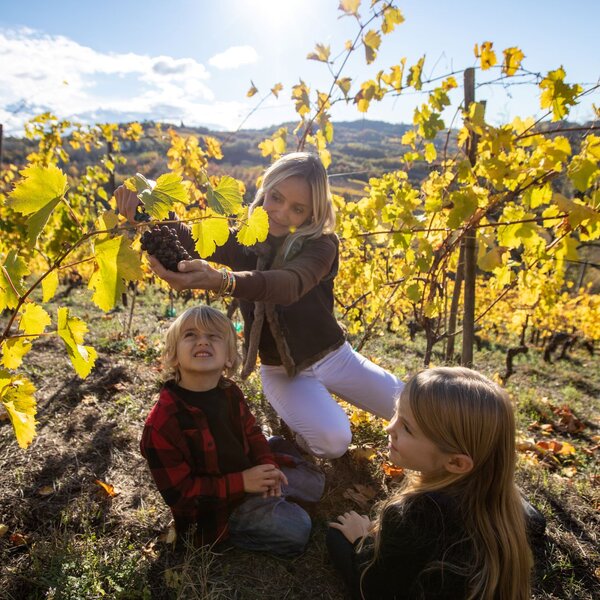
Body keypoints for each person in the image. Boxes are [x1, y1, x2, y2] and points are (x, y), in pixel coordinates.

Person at [117, 152, 402, 458]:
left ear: (311, 214)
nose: (280, 212)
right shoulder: (247, 239)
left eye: (297, 208)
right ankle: (301, 426)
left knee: (413, 405)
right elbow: (191, 240)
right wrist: (148, 201)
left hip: (335, 356)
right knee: (333, 442)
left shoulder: (322, 245)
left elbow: (289, 284)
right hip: (282, 371)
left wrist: (223, 281)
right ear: (264, 190)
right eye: (275, 197)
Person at [327, 367, 537, 600]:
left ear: (456, 462)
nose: (389, 427)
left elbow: (372, 590)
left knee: (335, 536)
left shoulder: (412, 516)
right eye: (396, 413)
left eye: (407, 427)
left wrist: (361, 541)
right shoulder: (506, 507)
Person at [140, 305, 324, 556]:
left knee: (316, 482)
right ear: (173, 356)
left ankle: (272, 492)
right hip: (220, 508)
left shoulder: (229, 392)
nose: (202, 341)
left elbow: (251, 432)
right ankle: (251, 521)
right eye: (190, 335)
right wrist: (243, 482)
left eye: (213, 336)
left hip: (249, 471)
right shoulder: (163, 424)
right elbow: (183, 496)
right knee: (298, 530)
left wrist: (266, 464)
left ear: (228, 357)